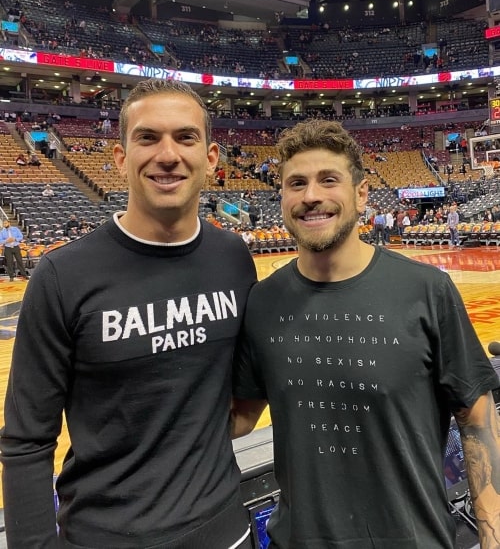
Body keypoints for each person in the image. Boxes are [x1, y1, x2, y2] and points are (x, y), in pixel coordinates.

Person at [1, 79, 257, 549]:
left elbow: (250, 381)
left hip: (226, 530)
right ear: (119, 159)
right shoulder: (62, 275)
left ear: (211, 158)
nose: (167, 154)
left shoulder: (233, 257)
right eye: (147, 137)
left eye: (185, 137)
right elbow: (26, 440)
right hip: (106, 535)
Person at [232, 119, 500, 549]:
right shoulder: (261, 303)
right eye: (296, 183)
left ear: (361, 195)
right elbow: (240, 417)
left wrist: (492, 536)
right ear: (282, 197)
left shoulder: (426, 289)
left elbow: (477, 418)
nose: (311, 195)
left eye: (328, 180)